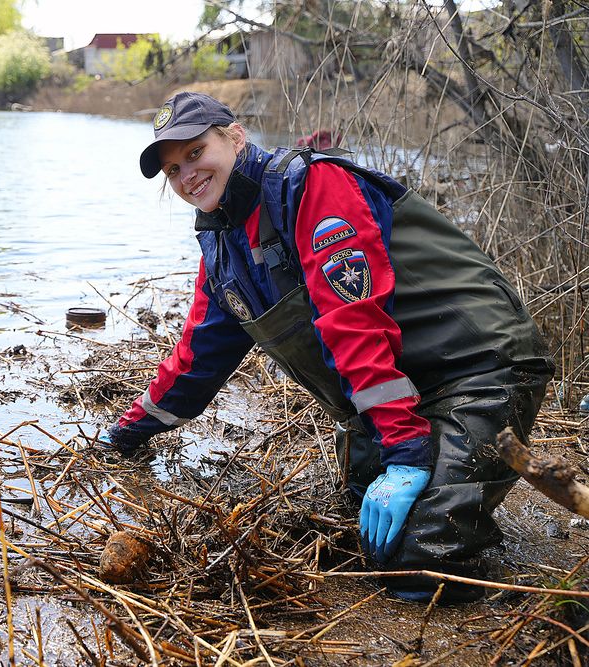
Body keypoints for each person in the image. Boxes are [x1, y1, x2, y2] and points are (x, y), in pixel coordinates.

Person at [99, 91, 554, 602]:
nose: (187, 176)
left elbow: (353, 322)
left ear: (234, 136)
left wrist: (405, 453)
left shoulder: (309, 185)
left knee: (417, 565)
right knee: (360, 540)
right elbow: (196, 359)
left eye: (196, 152)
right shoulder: (222, 243)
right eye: (173, 169)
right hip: (403, 392)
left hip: (478, 366)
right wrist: (122, 437)